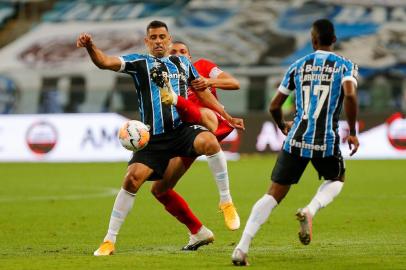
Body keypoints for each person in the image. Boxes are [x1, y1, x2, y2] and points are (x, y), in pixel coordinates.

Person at [76, 20, 229, 256]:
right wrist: (90, 47)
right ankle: (109, 240)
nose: (158, 41)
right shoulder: (139, 62)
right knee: (132, 180)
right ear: (147, 41)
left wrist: (226, 114)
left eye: (162, 37)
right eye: (153, 38)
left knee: (209, 142)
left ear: (169, 39)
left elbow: (202, 91)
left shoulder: (183, 62)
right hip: (153, 137)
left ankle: (226, 202)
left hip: (181, 130)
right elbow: (104, 62)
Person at [231, 18, 360, 266]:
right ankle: (310, 210)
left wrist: (282, 126)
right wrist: (352, 131)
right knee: (337, 179)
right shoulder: (346, 66)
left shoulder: (298, 66)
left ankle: (241, 248)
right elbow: (351, 94)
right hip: (326, 139)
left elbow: (274, 105)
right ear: (333, 40)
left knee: (273, 194)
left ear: (312, 41)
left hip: (297, 138)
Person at [151, 41, 243, 233]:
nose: (179, 54)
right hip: (184, 134)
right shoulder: (163, 76)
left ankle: (226, 200)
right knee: (159, 190)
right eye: (174, 52)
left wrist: (209, 81)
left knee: (204, 119)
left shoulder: (202, 67)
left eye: (183, 52)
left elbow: (234, 83)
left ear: (190, 57)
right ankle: (199, 232)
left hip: (209, 124)